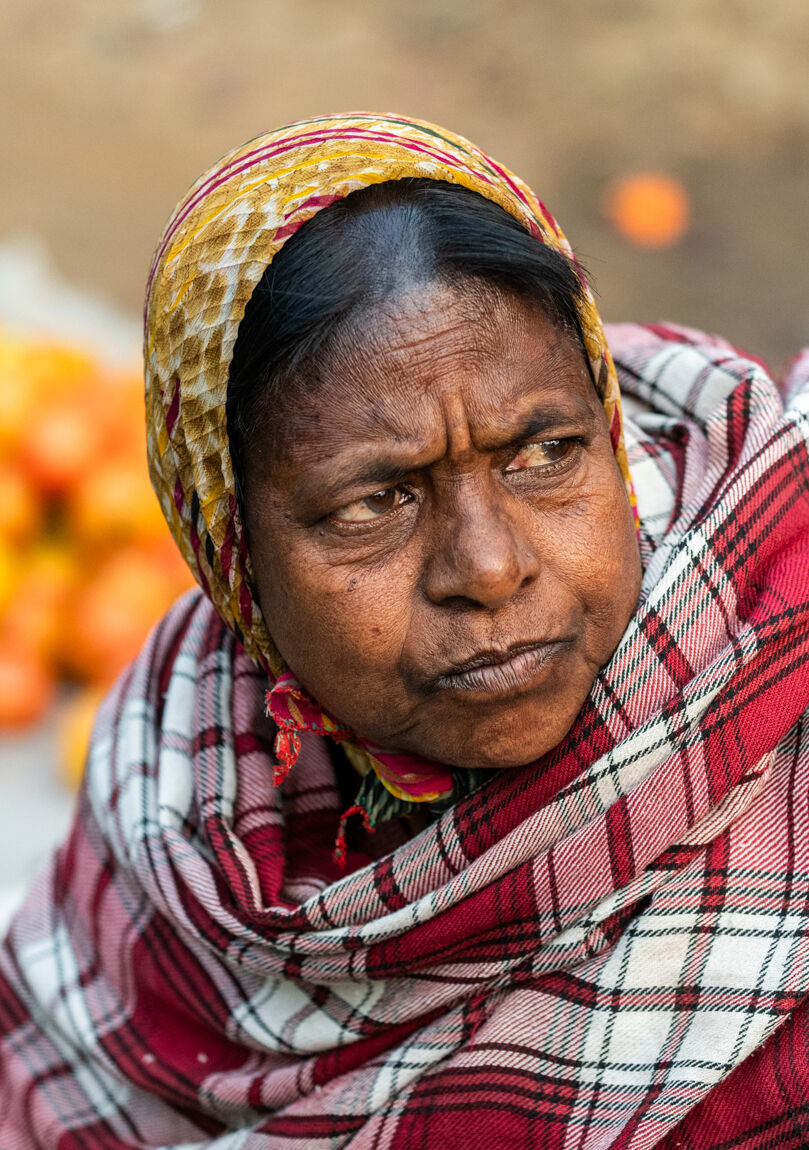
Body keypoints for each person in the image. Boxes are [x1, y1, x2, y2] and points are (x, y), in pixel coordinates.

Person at [1, 113, 808, 1149]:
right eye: (371, 503)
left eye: (545, 451)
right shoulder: (171, 794)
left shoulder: (773, 641)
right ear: (230, 548)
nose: (486, 567)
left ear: (606, 425)